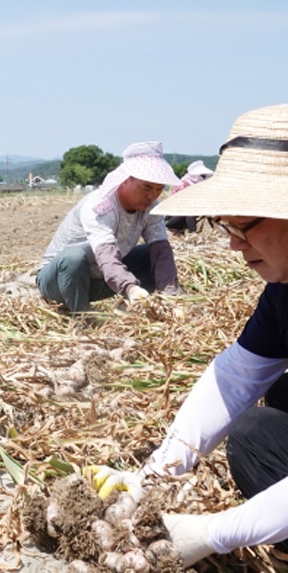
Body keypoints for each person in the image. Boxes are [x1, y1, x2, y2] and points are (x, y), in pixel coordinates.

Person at [90, 103, 288, 566]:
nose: (234, 242)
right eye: (227, 224)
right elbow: (238, 374)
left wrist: (214, 532)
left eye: (245, 223)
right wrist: (155, 475)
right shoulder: (284, 287)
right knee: (262, 422)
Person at [37, 142, 182, 314]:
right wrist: (130, 287)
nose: (152, 196)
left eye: (159, 189)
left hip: (99, 281)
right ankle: (83, 319)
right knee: (73, 257)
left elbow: (161, 251)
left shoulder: (151, 208)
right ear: (125, 181)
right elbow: (106, 254)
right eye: (146, 187)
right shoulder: (100, 205)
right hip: (60, 282)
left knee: (151, 255)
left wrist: (171, 296)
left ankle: (138, 309)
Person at [165, 160, 215, 233]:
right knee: (189, 211)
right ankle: (193, 234)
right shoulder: (184, 185)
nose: (203, 178)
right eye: (201, 175)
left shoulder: (199, 187)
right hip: (173, 219)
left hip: (185, 217)